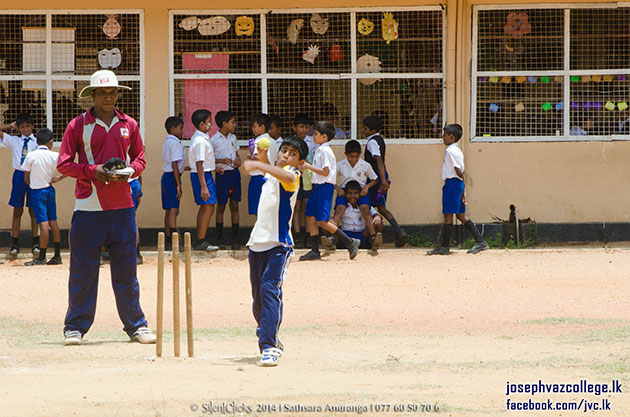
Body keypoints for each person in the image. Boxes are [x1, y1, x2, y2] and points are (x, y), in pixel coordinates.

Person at [57, 69, 155, 345]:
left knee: (126, 270)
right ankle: (74, 327)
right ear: (92, 95)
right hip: (88, 207)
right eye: (103, 92)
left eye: (113, 92)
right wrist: (94, 171)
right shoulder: (77, 125)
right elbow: (64, 163)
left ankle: (136, 325)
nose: (109, 97)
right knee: (83, 270)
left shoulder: (129, 124)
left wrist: (128, 172)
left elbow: (140, 159)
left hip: (123, 206)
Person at [243, 135, 308, 366]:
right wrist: (261, 153)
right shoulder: (271, 172)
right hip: (257, 244)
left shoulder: (294, 175)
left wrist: (260, 163)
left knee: (269, 291)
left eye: (293, 154)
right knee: (257, 300)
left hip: (279, 246)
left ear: (299, 162)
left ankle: (269, 346)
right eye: (284, 151)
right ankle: (269, 334)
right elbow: (258, 165)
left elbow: (286, 174)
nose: (286, 156)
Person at [299, 121, 360, 261]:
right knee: (310, 217)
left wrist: (308, 166)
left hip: (324, 187)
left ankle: (350, 242)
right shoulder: (320, 149)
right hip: (317, 186)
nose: (313, 136)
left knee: (322, 221)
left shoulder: (325, 151)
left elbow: (325, 172)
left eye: (315, 134)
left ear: (324, 137)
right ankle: (314, 250)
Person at [427, 123, 489, 255]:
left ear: (451, 136)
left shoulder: (451, 151)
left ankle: (445, 246)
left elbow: (458, 170)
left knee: (448, 214)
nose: (442, 137)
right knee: (460, 215)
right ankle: (480, 241)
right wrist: (464, 187)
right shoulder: (457, 150)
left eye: (444, 135)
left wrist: (462, 182)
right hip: (458, 184)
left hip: (453, 183)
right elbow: (463, 171)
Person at [21, 128, 65, 265]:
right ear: (51, 142)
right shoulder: (55, 156)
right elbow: (69, 168)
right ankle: (57, 255)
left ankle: (42, 257)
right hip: (50, 189)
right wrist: (60, 178)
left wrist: (31, 184)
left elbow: (26, 176)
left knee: (43, 224)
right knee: (53, 222)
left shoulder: (31, 155)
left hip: (37, 191)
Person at [363, 115, 407, 247]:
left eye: (365, 129)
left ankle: (372, 235)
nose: (363, 131)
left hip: (376, 178)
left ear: (371, 130)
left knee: (368, 205)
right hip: (380, 176)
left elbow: (379, 161)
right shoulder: (379, 140)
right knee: (380, 207)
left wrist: (382, 181)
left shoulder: (371, 142)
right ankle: (397, 230)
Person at [0, 113, 40, 260]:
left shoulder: (37, 142)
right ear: (18, 128)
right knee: (17, 210)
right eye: (22, 127)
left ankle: (35, 241)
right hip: (18, 176)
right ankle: (14, 243)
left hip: (33, 175)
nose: (25, 129)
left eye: (28, 126)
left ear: (32, 127)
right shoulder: (14, 141)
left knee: (33, 211)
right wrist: (10, 126)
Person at [334, 139, 380, 245]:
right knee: (339, 210)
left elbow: (375, 179)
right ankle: (333, 236)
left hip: (361, 191)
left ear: (360, 154)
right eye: (351, 156)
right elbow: (330, 178)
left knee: (365, 210)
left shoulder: (365, 165)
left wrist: (367, 187)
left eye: (356, 156)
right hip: (345, 191)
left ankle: (373, 236)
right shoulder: (340, 165)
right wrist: (338, 188)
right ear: (346, 154)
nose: (354, 159)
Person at [321, 180, 383, 255]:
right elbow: (334, 217)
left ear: (359, 194)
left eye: (355, 193)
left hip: (362, 235)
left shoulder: (364, 206)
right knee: (325, 224)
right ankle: (331, 243)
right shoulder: (342, 206)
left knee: (379, 224)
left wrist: (377, 217)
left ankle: (373, 243)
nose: (352, 196)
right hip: (345, 237)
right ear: (345, 194)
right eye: (349, 193)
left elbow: (376, 214)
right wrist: (330, 219)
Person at [188, 109, 220, 251]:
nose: (211, 125)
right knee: (209, 206)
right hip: (202, 176)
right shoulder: (200, 140)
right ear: (201, 124)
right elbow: (199, 163)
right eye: (208, 122)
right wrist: (204, 186)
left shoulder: (200, 138)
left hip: (204, 174)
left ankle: (200, 238)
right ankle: (201, 239)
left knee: (206, 206)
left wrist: (214, 167)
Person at [210, 110, 242, 250]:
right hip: (223, 174)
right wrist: (221, 160)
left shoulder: (233, 138)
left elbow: (237, 153)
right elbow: (209, 159)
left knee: (234, 205)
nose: (235, 124)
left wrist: (238, 160)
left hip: (234, 173)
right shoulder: (213, 140)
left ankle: (235, 238)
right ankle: (220, 238)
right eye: (232, 122)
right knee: (221, 206)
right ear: (224, 124)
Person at [291, 113, 316, 248]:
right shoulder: (290, 142)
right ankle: (298, 235)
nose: (304, 130)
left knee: (307, 206)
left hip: (307, 177)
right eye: (301, 127)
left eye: (306, 127)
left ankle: (308, 235)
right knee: (297, 206)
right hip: (294, 176)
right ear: (294, 127)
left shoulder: (312, 142)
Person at [247, 113, 278, 216]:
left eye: (254, 126)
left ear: (262, 127)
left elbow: (263, 159)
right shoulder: (273, 142)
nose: (253, 129)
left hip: (259, 177)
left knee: (259, 210)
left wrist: (252, 158)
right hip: (270, 177)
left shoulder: (260, 141)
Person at [161, 116, 186, 246]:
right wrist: (178, 184)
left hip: (167, 176)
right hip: (172, 177)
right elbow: (175, 164)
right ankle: (173, 238)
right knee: (174, 209)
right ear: (173, 129)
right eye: (180, 128)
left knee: (169, 209)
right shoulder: (175, 142)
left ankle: (168, 235)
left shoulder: (167, 142)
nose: (182, 131)